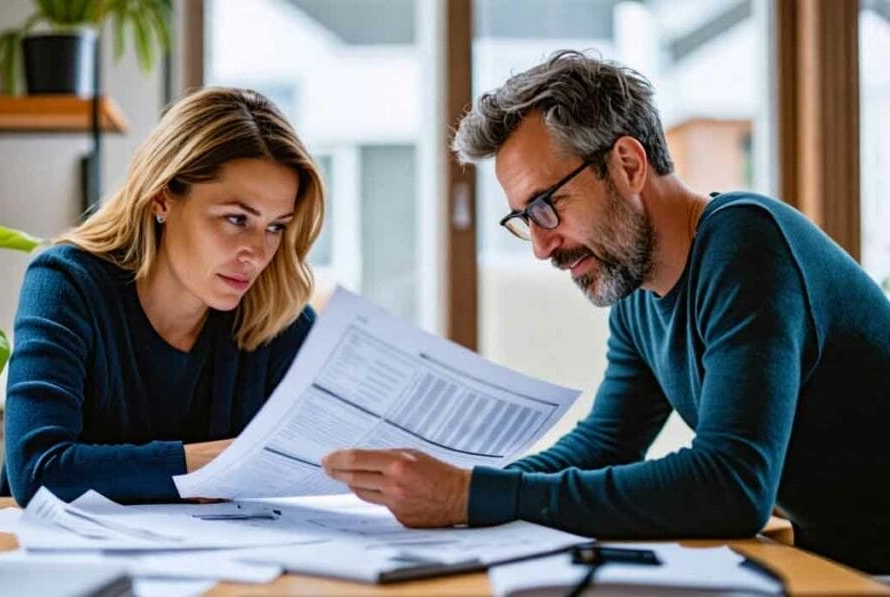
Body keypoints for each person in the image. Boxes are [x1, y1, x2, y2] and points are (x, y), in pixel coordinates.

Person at [322, 50, 890, 574]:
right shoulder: (638, 289)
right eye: (524, 220)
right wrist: (460, 487)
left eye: (547, 207)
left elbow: (731, 487)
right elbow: (605, 445)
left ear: (627, 164)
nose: (542, 247)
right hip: (842, 563)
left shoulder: (748, 247)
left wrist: (469, 498)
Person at [2, 87, 324, 506]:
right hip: (64, 563)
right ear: (162, 197)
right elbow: (38, 471)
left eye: (276, 226)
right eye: (236, 218)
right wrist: (208, 464)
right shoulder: (66, 284)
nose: (258, 253)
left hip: (225, 563)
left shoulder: (278, 318)